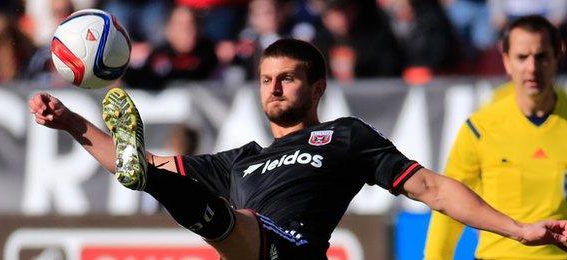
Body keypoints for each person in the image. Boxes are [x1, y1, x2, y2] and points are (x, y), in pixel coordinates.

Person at [29, 38, 567, 259]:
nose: (275, 89)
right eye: (265, 80)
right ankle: (203, 211)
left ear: (317, 88)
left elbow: (431, 188)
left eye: (287, 79)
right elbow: (143, 165)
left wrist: (519, 229)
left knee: (225, 219)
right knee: (158, 176)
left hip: (291, 250)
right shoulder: (240, 159)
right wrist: (75, 123)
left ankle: (208, 216)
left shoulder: (347, 138)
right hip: (245, 237)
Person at [425, 15, 567, 259]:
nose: (532, 67)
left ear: (557, 58)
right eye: (522, 57)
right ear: (507, 61)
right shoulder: (480, 128)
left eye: (541, 57)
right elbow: (448, 207)